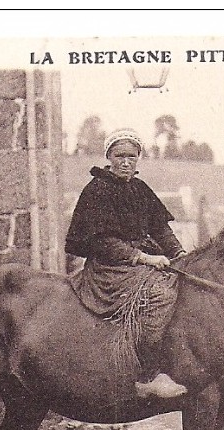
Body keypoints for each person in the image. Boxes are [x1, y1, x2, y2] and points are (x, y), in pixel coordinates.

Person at [66, 128, 188, 399]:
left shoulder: (139, 188)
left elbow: (161, 230)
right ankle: (148, 375)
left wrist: (181, 256)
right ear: (109, 157)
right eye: (119, 156)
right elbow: (101, 242)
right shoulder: (97, 189)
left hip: (139, 262)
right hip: (109, 267)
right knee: (159, 294)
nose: (125, 162)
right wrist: (144, 258)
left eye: (132, 157)